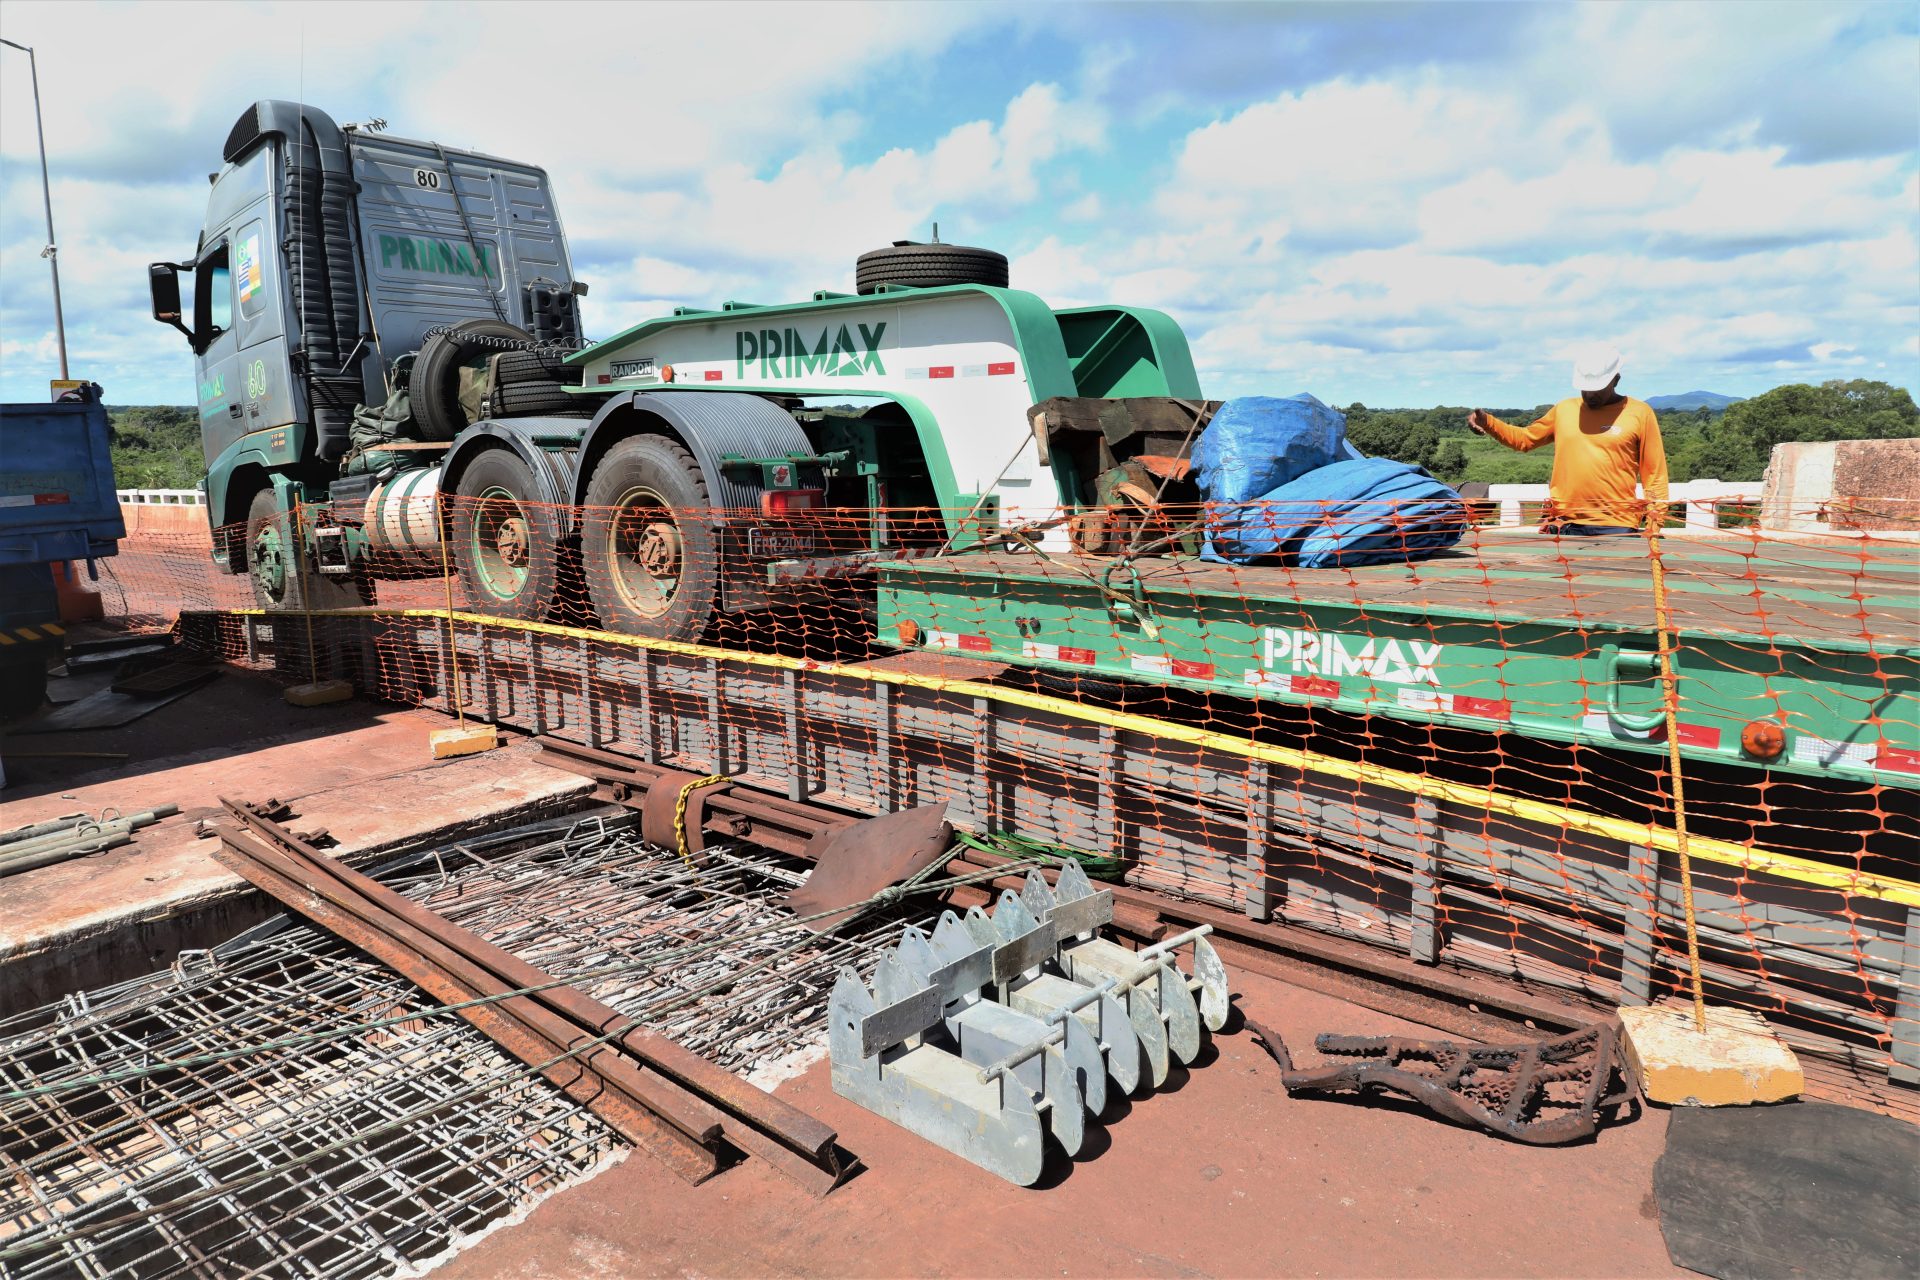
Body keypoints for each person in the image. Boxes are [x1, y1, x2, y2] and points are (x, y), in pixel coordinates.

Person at [1467, 343, 1668, 535]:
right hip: (1564, 523)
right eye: (1585, 387)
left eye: (1597, 388)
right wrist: (1488, 423)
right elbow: (1524, 440)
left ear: (1616, 380)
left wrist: (1655, 522)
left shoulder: (1640, 413)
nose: (1590, 394)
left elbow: (1655, 474)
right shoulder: (1564, 410)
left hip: (1616, 525)